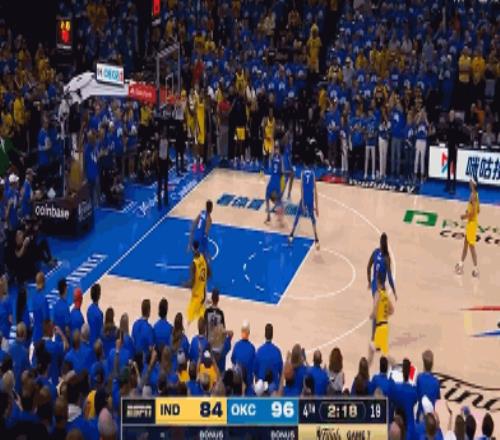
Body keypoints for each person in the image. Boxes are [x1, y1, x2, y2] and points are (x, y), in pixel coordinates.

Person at [288, 158, 319, 248]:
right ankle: (316, 238)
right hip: (311, 198)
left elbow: (301, 188)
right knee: (312, 218)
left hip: (304, 198)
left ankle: (291, 234)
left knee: (297, 216)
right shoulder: (313, 174)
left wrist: (302, 204)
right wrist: (317, 207)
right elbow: (315, 191)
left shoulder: (302, 173)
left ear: (304, 166)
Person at [368, 271, 395, 366]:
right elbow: (392, 310)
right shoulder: (385, 295)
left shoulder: (378, 293)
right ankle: (395, 365)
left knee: (376, 349)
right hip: (385, 326)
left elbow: (375, 307)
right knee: (381, 352)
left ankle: (395, 365)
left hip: (380, 327)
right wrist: (385, 315)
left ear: (378, 282)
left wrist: (372, 315)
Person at [455, 179, 480, 277]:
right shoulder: (475, 194)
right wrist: (468, 211)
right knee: (465, 244)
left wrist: (464, 216)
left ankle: (476, 269)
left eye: (470, 182)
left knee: (471, 247)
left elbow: (473, 213)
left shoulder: (473, 196)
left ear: (473, 184)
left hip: (472, 224)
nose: (469, 183)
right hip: (471, 223)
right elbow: (478, 210)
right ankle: (461, 264)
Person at [367, 233, 397, 298]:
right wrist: (394, 291)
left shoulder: (375, 252)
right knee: (384, 303)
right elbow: (389, 277)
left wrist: (369, 282)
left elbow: (368, 267)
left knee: (377, 302)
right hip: (381, 286)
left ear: (380, 242)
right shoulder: (386, 258)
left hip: (374, 285)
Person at [187, 241, 209, 326]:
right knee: (201, 319)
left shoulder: (194, 263)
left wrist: (185, 285)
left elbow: (192, 283)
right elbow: (209, 272)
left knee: (190, 320)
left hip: (196, 296)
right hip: (203, 293)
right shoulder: (202, 257)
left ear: (192, 248)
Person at [254, 323, 283, 388]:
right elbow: (281, 373)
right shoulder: (277, 352)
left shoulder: (259, 351)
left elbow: (255, 372)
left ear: (265, 335)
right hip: (274, 389)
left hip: (261, 388)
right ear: (272, 335)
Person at [416, 350, 441, 418]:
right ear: (432, 364)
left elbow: (416, 396)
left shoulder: (419, 378)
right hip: (431, 417)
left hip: (420, 415)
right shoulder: (436, 382)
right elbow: (437, 398)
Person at [264, 148, 284, 225]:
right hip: (277, 180)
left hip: (273, 180)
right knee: (278, 199)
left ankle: (269, 216)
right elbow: (282, 171)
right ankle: (280, 220)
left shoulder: (272, 158)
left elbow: (269, 164)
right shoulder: (281, 159)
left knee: (267, 196)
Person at [32, 272, 49, 343]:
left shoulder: (33, 298)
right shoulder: (43, 299)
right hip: (42, 335)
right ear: (43, 282)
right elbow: (46, 318)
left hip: (35, 333)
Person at [157, 127, 168, 209]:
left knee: (166, 182)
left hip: (165, 162)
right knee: (160, 184)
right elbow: (156, 153)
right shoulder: (158, 141)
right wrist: (157, 165)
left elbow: (167, 152)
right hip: (160, 162)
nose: (164, 134)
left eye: (165, 133)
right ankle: (159, 201)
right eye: (163, 133)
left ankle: (166, 199)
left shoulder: (167, 141)